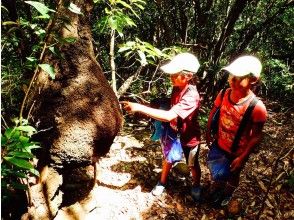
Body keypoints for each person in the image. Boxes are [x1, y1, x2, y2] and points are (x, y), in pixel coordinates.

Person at [120, 53, 202, 200]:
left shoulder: (192, 96)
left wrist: (139, 107)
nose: (171, 77)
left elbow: (169, 115)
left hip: (189, 135)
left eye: (175, 74)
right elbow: (171, 106)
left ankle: (196, 184)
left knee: (192, 163)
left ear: (188, 76)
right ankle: (162, 182)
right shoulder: (177, 87)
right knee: (167, 157)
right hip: (173, 130)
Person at [205, 55, 267, 206]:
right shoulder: (224, 94)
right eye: (231, 75)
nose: (232, 80)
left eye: (238, 77)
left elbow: (256, 136)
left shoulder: (257, 107)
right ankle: (217, 186)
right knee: (217, 167)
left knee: (233, 174)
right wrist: (208, 130)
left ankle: (227, 193)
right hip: (220, 143)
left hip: (237, 151)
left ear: (253, 80)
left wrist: (242, 157)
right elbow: (214, 111)